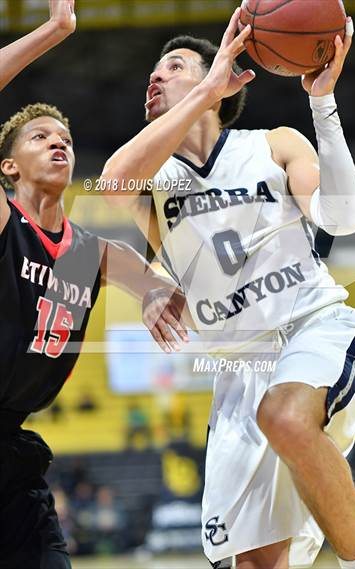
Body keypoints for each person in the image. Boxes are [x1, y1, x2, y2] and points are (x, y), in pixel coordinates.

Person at [102, 9, 355, 569]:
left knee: (285, 416)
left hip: (312, 327)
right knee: (253, 564)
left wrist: (322, 103)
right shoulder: (151, 181)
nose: (154, 78)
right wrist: (153, 288)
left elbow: (344, 219)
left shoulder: (274, 143)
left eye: (173, 66)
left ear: (224, 78)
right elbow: (111, 183)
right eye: (152, 74)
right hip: (237, 371)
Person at [0, 3, 187, 568]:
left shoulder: (92, 252)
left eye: (65, 137)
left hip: (13, 453)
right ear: (7, 167)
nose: (59, 143)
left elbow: (179, 287)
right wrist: (54, 30)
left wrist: (160, 292)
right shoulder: (6, 221)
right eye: (39, 137)